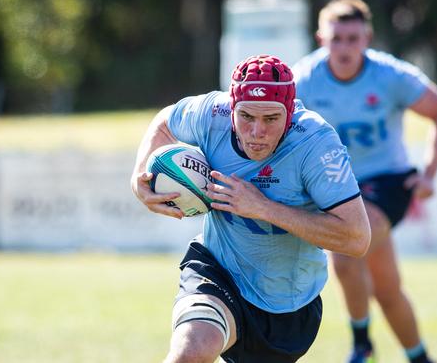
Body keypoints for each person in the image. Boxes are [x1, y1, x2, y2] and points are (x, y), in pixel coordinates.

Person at [131, 54, 371, 363]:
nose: (257, 132)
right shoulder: (210, 114)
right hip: (218, 270)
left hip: (289, 306)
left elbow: (356, 238)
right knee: (190, 351)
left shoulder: (316, 144)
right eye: (246, 117)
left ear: (289, 113)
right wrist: (140, 179)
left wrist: (263, 208)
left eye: (271, 119)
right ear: (231, 108)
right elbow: (165, 121)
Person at [293, 0, 437, 363]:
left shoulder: (390, 75)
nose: (345, 48)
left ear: (367, 37)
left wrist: (429, 174)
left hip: (387, 184)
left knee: (345, 247)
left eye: (353, 38)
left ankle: (361, 345)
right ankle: (420, 357)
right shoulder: (302, 79)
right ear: (321, 38)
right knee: (386, 288)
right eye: (337, 39)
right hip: (335, 188)